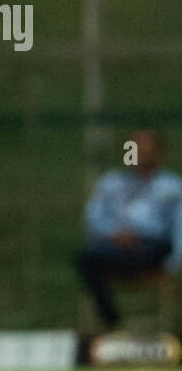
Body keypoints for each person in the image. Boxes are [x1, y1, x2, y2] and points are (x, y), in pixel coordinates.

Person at [77, 130, 182, 329]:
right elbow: (94, 216)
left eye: (144, 149)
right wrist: (113, 232)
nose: (138, 153)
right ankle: (111, 321)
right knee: (86, 258)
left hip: (151, 249)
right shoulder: (111, 182)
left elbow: (179, 227)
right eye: (133, 148)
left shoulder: (172, 187)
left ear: (158, 153)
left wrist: (173, 264)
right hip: (115, 247)